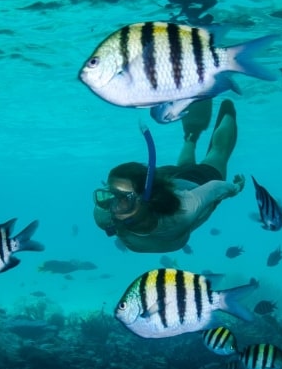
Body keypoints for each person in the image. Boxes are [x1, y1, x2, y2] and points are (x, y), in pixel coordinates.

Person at [93, 99, 245, 253]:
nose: (113, 208)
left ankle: (228, 108)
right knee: (182, 168)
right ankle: (190, 137)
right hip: (168, 179)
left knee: (218, 153)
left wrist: (236, 187)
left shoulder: (184, 211)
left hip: (196, 182)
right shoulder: (104, 215)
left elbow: (215, 187)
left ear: (146, 199)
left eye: (124, 199)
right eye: (109, 196)